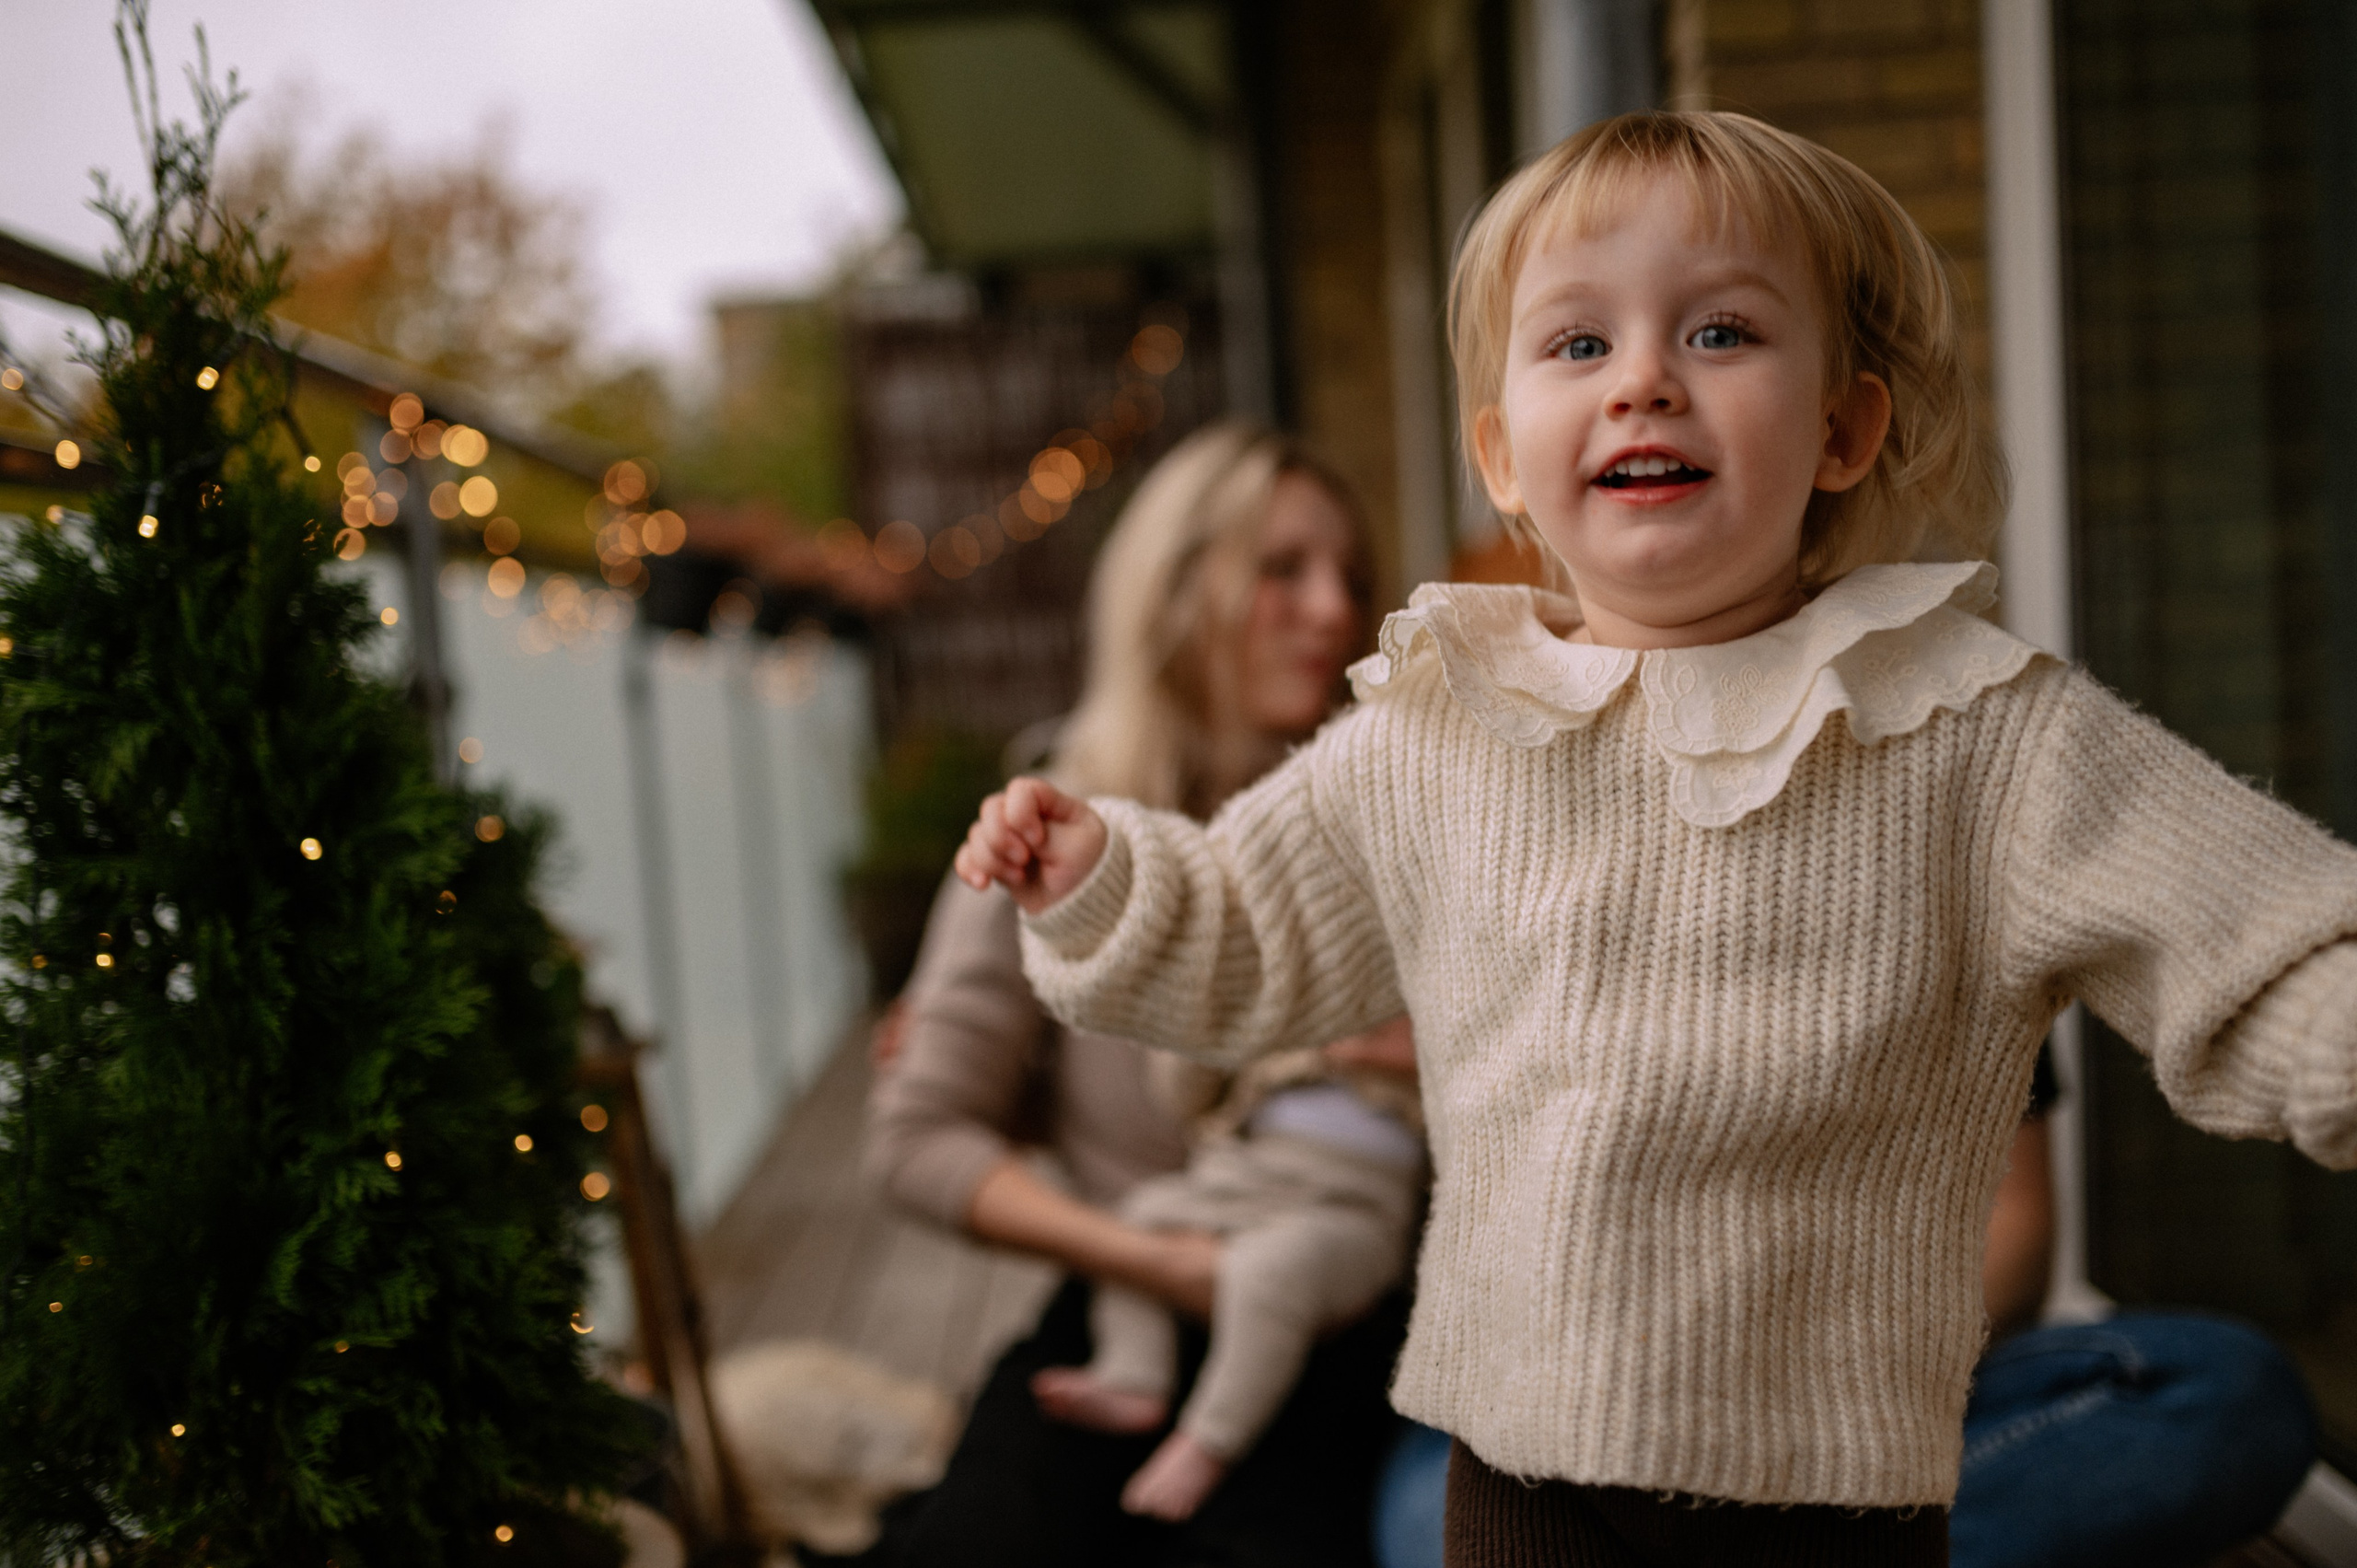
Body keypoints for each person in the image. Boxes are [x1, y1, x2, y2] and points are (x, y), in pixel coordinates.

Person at [954, 109, 2357, 1566]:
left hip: (1833, 1491)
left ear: (1843, 428)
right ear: (1503, 457)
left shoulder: (1980, 735)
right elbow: (1244, 928)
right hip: (1523, 1475)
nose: (1642, 383)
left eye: (1723, 333)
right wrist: (1103, 872)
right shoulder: (1446, 727)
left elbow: (2265, 940)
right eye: (1577, 345)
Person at [863, 420, 1408, 1568]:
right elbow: (915, 1133)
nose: (1331, 609)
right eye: (1282, 570)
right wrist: (1156, 1261)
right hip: (1128, 1284)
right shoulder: (1054, 821)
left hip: (1340, 1321)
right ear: (1170, 592)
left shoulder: (1395, 811)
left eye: (1348, 577)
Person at [1367, 1045, 2320, 1568]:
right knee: (1426, 1524)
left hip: (1869, 1389)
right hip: (1548, 1409)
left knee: (2228, 1391)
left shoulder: (1941, 877)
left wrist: (1815, 1362)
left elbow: (2015, 1224)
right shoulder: (1505, 866)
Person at [1033, 1018, 1425, 1522]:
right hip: (1243, 1177)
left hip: (1354, 1209)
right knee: (1137, 1219)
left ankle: (1212, 1438)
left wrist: (1418, 1048)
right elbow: (1185, 1092)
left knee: (1270, 1273)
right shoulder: (1290, 1006)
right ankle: (1135, 1371)